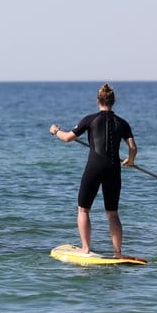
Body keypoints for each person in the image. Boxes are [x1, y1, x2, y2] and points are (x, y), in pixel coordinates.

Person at [49, 83, 137, 257]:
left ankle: (86, 248)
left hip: (94, 167)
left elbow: (67, 138)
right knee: (112, 213)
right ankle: (118, 253)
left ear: (97, 100)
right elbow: (133, 148)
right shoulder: (122, 123)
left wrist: (56, 130)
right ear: (114, 102)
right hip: (113, 169)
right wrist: (130, 160)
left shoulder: (90, 119)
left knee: (83, 209)